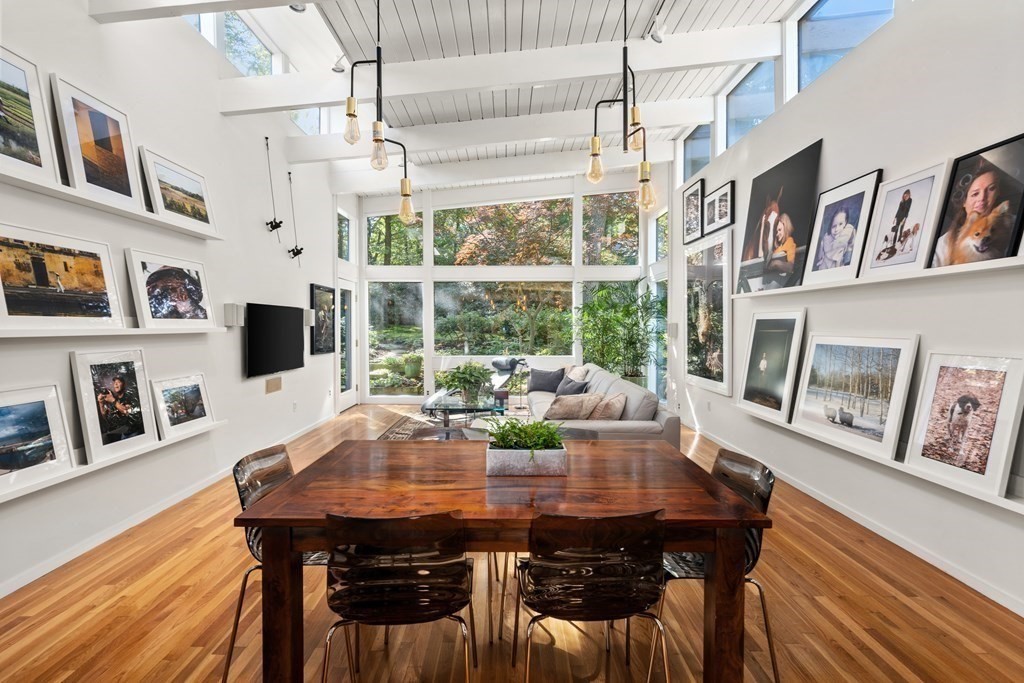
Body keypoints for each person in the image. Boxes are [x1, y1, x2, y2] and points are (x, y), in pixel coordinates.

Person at [932, 161, 1010, 266]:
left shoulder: (1012, 224)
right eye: (975, 194)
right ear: (964, 201)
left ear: (998, 192)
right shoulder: (944, 242)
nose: (982, 198)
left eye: (991, 189)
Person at [96, 375, 144, 443]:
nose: (115, 384)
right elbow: (105, 415)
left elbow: (128, 412)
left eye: (118, 382)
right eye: (114, 382)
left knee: (105, 437)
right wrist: (101, 403)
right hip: (123, 433)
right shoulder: (115, 398)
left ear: (124, 384)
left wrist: (113, 401)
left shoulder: (129, 396)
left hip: (133, 432)